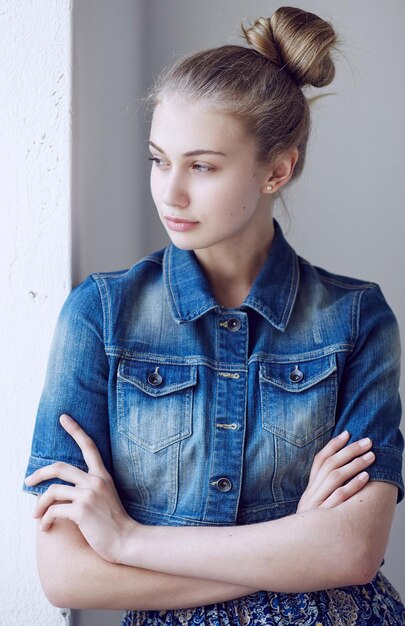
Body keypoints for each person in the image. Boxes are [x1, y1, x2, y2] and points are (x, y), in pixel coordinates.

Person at [23, 6, 404, 625]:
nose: (170, 191)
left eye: (201, 166)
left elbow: (351, 551)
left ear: (277, 169)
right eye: (158, 158)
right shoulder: (100, 315)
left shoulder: (357, 318)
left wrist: (128, 542)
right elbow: (66, 573)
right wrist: (291, 550)